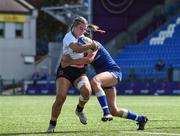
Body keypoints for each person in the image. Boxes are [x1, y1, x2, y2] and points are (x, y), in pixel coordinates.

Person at [61, 36, 148, 130]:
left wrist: (69, 61)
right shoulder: (86, 48)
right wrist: (68, 61)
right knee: (114, 111)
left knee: (95, 81)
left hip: (113, 72)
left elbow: (88, 60)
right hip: (105, 78)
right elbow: (81, 60)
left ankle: (106, 112)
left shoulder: (95, 45)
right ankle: (140, 119)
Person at [47, 16, 101, 132]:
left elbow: (88, 58)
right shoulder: (68, 36)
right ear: (74, 27)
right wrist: (92, 45)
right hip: (65, 70)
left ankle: (79, 110)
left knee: (87, 92)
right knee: (61, 97)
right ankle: (52, 124)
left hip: (79, 71)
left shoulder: (85, 38)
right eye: (81, 28)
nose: (83, 31)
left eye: (85, 29)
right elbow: (76, 49)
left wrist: (92, 49)